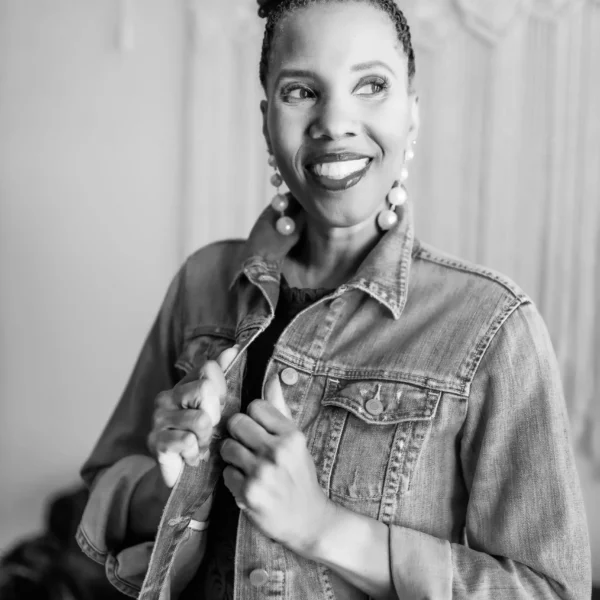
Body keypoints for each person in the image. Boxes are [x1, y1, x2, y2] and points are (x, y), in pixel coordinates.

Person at [76, 0, 591, 598]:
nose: (335, 123)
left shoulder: (492, 326)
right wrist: (168, 488)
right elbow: (102, 500)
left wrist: (324, 529)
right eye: (301, 92)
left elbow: (551, 589)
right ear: (267, 118)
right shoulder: (203, 282)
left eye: (371, 85)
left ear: (412, 113)